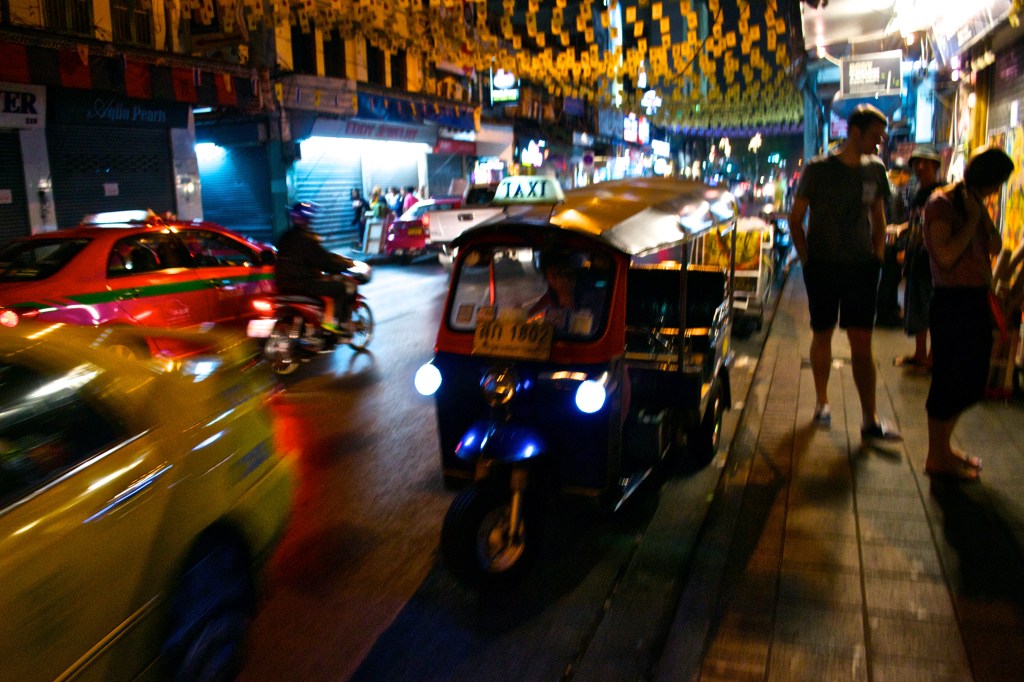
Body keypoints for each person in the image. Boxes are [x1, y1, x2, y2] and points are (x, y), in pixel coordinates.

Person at [788, 104, 901, 443]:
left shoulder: (876, 170)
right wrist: (807, 261)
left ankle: (870, 418)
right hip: (822, 266)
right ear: (854, 132)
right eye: (875, 136)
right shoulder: (818, 169)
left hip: (861, 269)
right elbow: (796, 218)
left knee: (862, 343)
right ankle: (822, 402)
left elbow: (879, 216)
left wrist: (877, 257)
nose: (880, 143)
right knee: (822, 334)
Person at [921, 146, 1014, 480]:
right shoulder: (942, 203)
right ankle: (936, 456)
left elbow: (995, 247)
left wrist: (982, 218)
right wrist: (972, 221)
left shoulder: (973, 201)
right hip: (951, 302)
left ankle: (944, 449)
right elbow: (945, 257)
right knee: (949, 380)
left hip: (975, 300)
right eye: (999, 182)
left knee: (973, 381)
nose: (999, 190)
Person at [894, 146, 944, 373]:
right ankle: (920, 353)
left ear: (935, 165)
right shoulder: (917, 195)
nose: (920, 167)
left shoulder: (942, 194)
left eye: (925, 162)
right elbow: (915, 225)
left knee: (933, 312)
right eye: (916, 163)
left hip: (934, 262)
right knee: (916, 309)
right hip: (916, 260)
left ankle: (933, 357)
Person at [276, 202, 356, 334]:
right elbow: (324, 261)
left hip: (284, 284)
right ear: (306, 219)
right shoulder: (306, 239)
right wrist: (344, 265)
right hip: (303, 283)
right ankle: (336, 326)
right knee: (341, 288)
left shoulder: (285, 236)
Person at [876, 160, 910, 327]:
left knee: (888, 278)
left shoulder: (886, 189)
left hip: (885, 241)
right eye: (908, 178)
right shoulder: (894, 192)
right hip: (891, 242)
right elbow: (897, 222)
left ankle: (888, 311)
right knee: (890, 278)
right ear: (902, 174)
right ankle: (886, 315)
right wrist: (901, 248)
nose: (907, 182)